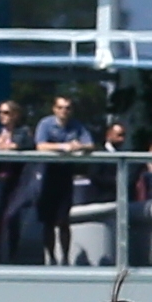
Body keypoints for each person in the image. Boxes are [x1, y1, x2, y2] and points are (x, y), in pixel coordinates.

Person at [34, 95, 95, 266]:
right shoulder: (45, 124)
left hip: (65, 175)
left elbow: (90, 144)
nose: (64, 111)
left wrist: (79, 146)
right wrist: (63, 147)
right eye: (60, 108)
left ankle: (66, 258)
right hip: (47, 174)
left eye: (67, 108)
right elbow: (40, 146)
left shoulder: (76, 126)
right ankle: (51, 258)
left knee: (63, 220)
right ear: (54, 109)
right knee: (48, 221)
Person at [0, 99, 35, 265]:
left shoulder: (23, 133)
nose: (2, 116)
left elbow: (29, 146)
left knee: (13, 219)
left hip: (16, 181)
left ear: (15, 115)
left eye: (6, 113)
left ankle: (13, 257)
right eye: (0, 113)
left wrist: (14, 147)